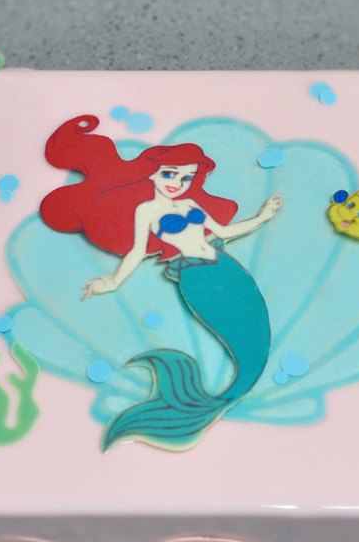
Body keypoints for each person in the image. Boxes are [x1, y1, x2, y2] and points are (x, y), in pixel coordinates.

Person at [41, 115, 283, 451]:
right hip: (196, 276)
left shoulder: (190, 204)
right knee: (238, 336)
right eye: (170, 174)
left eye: (186, 177)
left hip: (225, 265)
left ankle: (211, 401)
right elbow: (137, 251)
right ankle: (201, 404)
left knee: (256, 332)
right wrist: (112, 282)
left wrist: (262, 216)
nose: (177, 183)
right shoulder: (146, 211)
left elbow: (224, 231)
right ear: (152, 173)